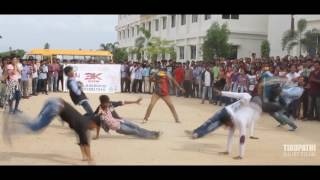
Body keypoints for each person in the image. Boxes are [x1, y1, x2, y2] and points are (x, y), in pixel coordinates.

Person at [3, 97, 100, 162]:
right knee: (36, 126)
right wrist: (90, 158)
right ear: (93, 123)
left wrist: (84, 157)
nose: (95, 129)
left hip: (54, 101)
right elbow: (86, 144)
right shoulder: (83, 126)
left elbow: (82, 142)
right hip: (56, 107)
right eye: (96, 127)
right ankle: (13, 115)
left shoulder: (83, 121)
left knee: (35, 123)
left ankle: (13, 118)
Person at [186, 90, 262, 159]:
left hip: (232, 116)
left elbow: (249, 125)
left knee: (214, 125)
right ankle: (196, 132)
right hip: (228, 111)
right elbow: (234, 94)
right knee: (211, 121)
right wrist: (222, 93)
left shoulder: (251, 110)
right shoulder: (247, 96)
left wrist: (250, 134)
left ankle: (198, 134)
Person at [94, 95, 160, 139]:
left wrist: (135, 102)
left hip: (121, 120)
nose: (108, 104)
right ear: (102, 103)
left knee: (137, 127)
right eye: (106, 103)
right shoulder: (99, 112)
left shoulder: (110, 104)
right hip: (118, 127)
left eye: (108, 102)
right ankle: (151, 136)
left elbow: (122, 102)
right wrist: (97, 135)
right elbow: (97, 123)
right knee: (135, 131)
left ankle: (153, 133)